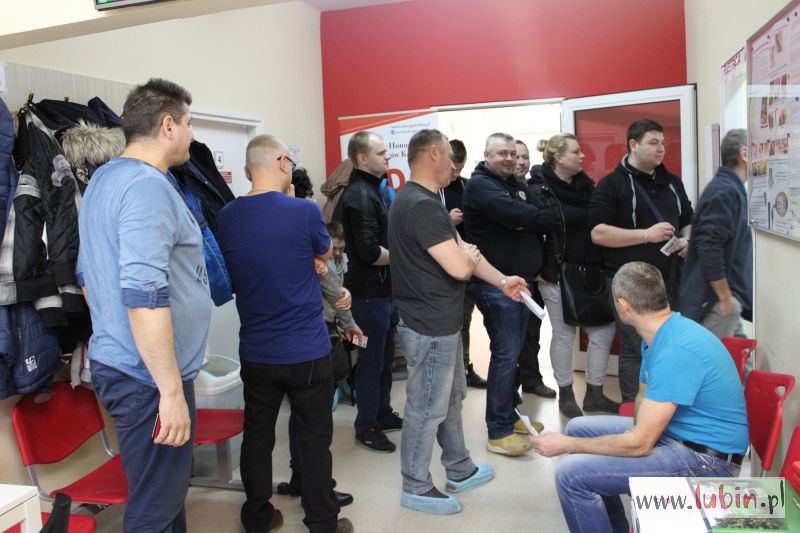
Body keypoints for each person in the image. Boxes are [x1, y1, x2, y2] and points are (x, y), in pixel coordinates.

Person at [77, 78, 212, 531]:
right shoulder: (145, 187)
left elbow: (86, 276)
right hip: (148, 377)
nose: (192, 134)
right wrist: (169, 392)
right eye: (189, 123)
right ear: (168, 126)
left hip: (130, 365)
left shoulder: (104, 178)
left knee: (165, 496)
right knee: (155, 507)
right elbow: (144, 295)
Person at [532, 261, 749, 533]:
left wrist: (567, 445)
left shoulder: (676, 349)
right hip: (681, 435)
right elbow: (642, 402)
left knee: (571, 475)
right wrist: (615, 444)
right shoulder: (659, 334)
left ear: (624, 306)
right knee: (578, 427)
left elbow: (641, 444)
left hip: (709, 463)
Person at [217, 134, 352, 533]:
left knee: (258, 437)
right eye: (289, 163)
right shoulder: (303, 211)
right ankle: (322, 522)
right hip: (306, 350)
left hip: (257, 351)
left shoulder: (228, 216)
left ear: (247, 172)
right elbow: (323, 253)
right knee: (314, 438)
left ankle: (257, 518)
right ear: (282, 163)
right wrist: (293, 201)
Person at [390, 129, 528, 514]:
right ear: (433, 154)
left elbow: (466, 255)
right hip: (428, 324)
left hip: (442, 321)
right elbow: (460, 265)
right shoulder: (419, 204)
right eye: (450, 156)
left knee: (450, 399)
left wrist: (502, 281)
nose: (454, 164)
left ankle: (459, 468)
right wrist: (467, 256)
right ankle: (416, 485)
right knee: (426, 406)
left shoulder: (429, 201)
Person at [462, 132, 560, 456]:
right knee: (505, 355)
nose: (509, 158)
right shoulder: (480, 185)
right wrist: (523, 218)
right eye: (502, 153)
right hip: (496, 285)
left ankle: (508, 415)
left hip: (519, 285)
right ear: (487, 155)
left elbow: (535, 213)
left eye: (512, 153)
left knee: (514, 353)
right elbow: (521, 215)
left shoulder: (513, 185)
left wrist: (524, 217)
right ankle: (498, 431)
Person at [588, 119, 693, 403]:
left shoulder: (672, 182)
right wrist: (646, 235)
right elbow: (598, 233)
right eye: (653, 143)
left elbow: (688, 219)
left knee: (667, 346)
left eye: (663, 143)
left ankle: (663, 406)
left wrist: (686, 240)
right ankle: (634, 409)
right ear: (633, 145)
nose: (661, 149)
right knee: (637, 347)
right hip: (629, 283)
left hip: (669, 279)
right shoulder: (612, 184)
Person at [529, 133, 618, 418]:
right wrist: (538, 267)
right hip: (556, 273)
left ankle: (594, 394)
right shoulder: (538, 189)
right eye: (576, 152)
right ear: (558, 157)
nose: (582, 156)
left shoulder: (586, 186)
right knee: (565, 334)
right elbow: (531, 231)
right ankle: (566, 394)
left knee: (603, 331)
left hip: (589, 271)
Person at [335, 130, 403, 453]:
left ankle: (382, 412)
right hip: (366, 297)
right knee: (371, 361)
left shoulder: (372, 190)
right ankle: (366, 426)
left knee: (385, 358)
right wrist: (405, 255)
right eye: (380, 152)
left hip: (381, 293)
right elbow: (369, 252)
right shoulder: (360, 195)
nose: (387, 156)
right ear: (362, 158)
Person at [679, 129, 752, 338]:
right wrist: (725, 297)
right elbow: (709, 247)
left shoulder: (730, 189)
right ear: (744, 154)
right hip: (715, 303)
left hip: (724, 300)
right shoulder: (725, 191)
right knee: (710, 358)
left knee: (738, 355)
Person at [441, 139, 487, 388]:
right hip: (447, 268)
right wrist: (448, 220)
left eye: (459, 168)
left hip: (473, 264)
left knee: (467, 321)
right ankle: (456, 370)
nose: (455, 173)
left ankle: (465, 368)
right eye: (453, 168)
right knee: (456, 323)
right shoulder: (434, 191)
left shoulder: (468, 187)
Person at [515, 139, 557, 399]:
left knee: (532, 331)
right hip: (507, 275)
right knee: (510, 337)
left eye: (525, 157)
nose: (521, 162)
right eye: (516, 156)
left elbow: (547, 225)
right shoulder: (496, 192)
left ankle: (531, 379)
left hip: (536, 274)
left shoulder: (537, 190)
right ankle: (510, 386)